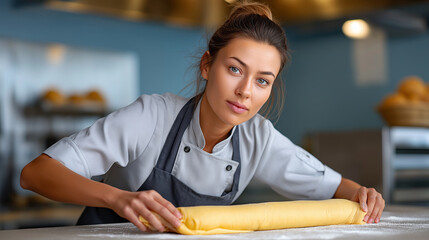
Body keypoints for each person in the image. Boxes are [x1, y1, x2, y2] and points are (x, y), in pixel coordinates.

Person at [20, 1, 385, 233]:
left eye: (262, 80)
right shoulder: (152, 116)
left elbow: (337, 189)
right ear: (208, 66)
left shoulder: (258, 138)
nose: (246, 91)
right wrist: (119, 199)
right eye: (235, 69)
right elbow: (36, 173)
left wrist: (363, 194)